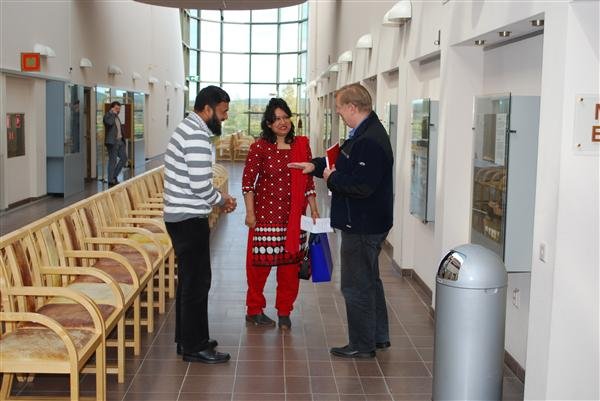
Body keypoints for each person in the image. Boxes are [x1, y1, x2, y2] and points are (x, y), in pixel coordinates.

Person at [289, 83, 394, 358]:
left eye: (339, 109)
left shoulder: (370, 140)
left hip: (362, 224)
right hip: (365, 221)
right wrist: (316, 166)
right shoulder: (362, 133)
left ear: (351, 107)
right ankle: (378, 336)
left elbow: (362, 186)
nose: (338, 113)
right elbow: (342, 163)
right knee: (370, 280)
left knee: (355, 285)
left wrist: (330, 178)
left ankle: (361, 344)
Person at [163, 85, 237, 364]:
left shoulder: (189, 129)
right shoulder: (195, 135)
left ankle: (188, 339)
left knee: (189, 282)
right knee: (197, 283)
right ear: (207, 109)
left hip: (182, 216)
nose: (225, 117)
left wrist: (218, 199)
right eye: (223, 111)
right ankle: (196, 346)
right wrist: (222, 200)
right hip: (188, 218)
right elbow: (199, 185)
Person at [242, 98, 319, 330]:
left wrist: (314, 208)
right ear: (268, 123)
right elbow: (248, 183)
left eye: (286, 117)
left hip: (294, 218)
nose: (283, 122)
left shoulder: (302, 145)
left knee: (289, 269)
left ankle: (285, 311)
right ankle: (254, 310)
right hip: (265, 217)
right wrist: (250, 213)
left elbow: (308, 181)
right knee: (259, 267)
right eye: (277, 119)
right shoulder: (259, 147)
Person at [103, 101, 127, 186]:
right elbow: (109, 123)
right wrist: (113, 114)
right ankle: (110, 180)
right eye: (116, 108)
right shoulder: (107, 116)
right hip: (112, 142)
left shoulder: (116, 116)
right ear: (112, 108)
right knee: (112, 161)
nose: (118, 110)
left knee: (124, 158)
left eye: (119, 109)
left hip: (120, 141)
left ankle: (114, 176)